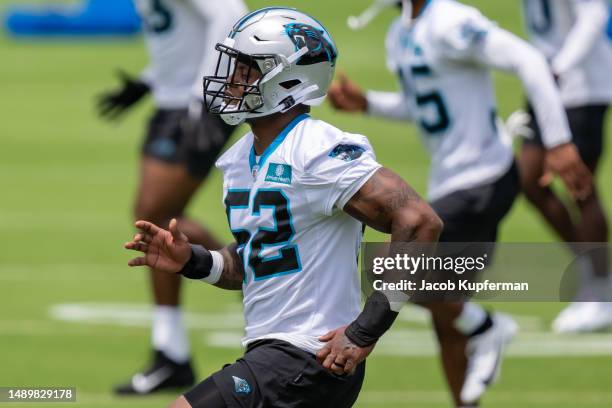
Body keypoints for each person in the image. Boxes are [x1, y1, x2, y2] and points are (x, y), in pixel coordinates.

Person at [123, 7, 443, 407]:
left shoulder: (318, 149)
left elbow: (420, 222)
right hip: (280, 358)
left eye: (245, 69)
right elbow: (259, 260)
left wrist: (366, 329)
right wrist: (193, 260)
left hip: (306, 356)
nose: (230, 79)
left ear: (288, 77)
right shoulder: (239, 159)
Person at [328, 0, 593, 405]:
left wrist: (557, 140)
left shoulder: (450, 21)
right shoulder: (401, 32)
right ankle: (473, 356)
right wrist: (368, 104)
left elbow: (530, 60)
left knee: (387, 264)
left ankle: (486, 325)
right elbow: (425, 105)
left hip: (482, 179)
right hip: (454, 182)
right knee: (446, 318)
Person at [97, 0, 248, 395]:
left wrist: (202, 95)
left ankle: (251, 280)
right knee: (157, 218)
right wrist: (150, 80)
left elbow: (229, 13)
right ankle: (174, 350)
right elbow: (182, 35)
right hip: (173, 101)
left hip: (193, 104)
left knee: (155, 216)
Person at [510, 0, 612, 333]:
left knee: (579, 186)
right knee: (529, 179)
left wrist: (560, 66)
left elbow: (595, 14)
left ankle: (600, 293)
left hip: (581, 83)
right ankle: (595, 271)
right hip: (547, 83)